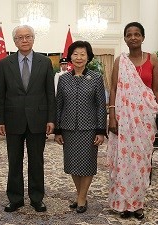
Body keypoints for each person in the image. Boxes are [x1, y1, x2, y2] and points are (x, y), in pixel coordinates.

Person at [107, 22, 158, 220]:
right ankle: (124, 203)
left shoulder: (152, 59)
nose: (133, 37)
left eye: (137, 34)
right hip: (124, 117)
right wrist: (112, 117)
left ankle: (138, 203)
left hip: (146, 118)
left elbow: (157, 88)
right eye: (129, 34)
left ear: (143, 37)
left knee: (141, 162)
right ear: (124, 38)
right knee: (124, 161)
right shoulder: (119, 61)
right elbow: (114, 89)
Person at [0, 24, 55, 213]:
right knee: (14, 161)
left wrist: (51, 119)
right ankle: (15, 198)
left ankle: (37, 198)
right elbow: (1, 94)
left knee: (36, 161)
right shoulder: (5, 63)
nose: (24, 40)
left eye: (28, 36)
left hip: (38, 119)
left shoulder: (44, 62)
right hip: (13, 120)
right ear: (14, 41)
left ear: (33, 38)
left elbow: (49, 94)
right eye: (20, 38)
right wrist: (0, 120)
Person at [54, 41, 107, 213]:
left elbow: (101, 105)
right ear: (70, 56)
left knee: (87, 164)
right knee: (73, 164)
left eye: (82, 54)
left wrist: (100, 130)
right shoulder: (63, 79)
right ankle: (80, 195)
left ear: (88, 57)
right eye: (75, 54)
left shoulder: (96, 78)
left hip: (89, 129)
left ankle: (82, 199)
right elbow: (58, 105)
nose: (79, 57)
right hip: (68, 129)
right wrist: (58, 129)